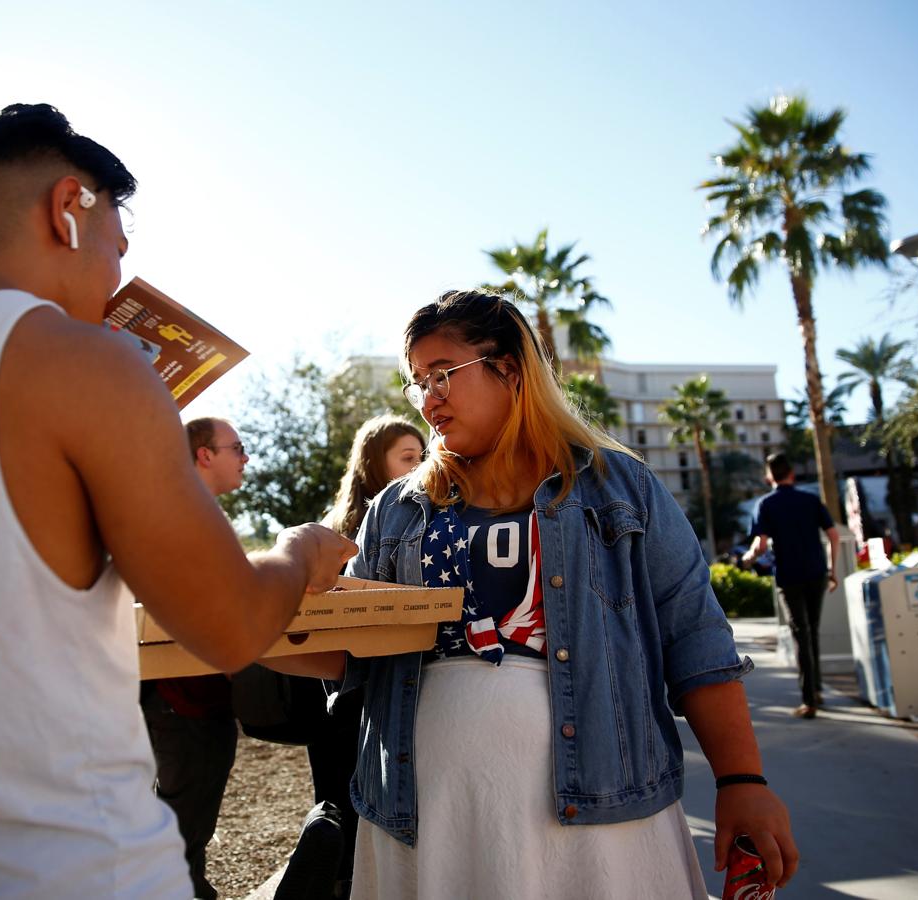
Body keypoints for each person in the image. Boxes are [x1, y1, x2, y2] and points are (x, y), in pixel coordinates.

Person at [0, 103, 354, 898]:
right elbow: (231, 626)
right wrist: (298, 553)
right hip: (74, 869)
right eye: (120, 244)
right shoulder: (88, 365)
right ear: (69, 206)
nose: (117, 276)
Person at [273, 291, 797, 898]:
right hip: (425, 819)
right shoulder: (396, 510)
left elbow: (697, 641)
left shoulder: (620, 488)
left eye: (442, 374)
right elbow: (347, 652)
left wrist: (743, 782)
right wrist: (239, 629)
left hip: (603, 818)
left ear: (511, 369)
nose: (428, 399)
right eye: (417, 382)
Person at [298, 415, 424, 897]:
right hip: (345, 702)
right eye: (408, 458)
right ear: (375, 464)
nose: (421, 467)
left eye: (423, 455)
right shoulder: (343, 537)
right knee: (341, 815)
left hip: (387, 699)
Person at [139, 416, 250, 900]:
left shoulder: (182, 511)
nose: (245, 457)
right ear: (205, 454)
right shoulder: (182, 514)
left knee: (184, 834)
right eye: (237, 447)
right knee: (181, 837)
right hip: (184, 700)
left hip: (187, 699)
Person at [743, 454, 838, 720]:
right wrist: (833, 569)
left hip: (789, 575)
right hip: (817, 572)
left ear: (769, 476)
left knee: (801, 633)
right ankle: (816, 689)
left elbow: (760, 545)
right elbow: (832, 536)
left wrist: (748, 558)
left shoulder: (766, 504)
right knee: (812, 630)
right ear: (792, 473)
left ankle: (809, 700)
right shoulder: (810, 500)